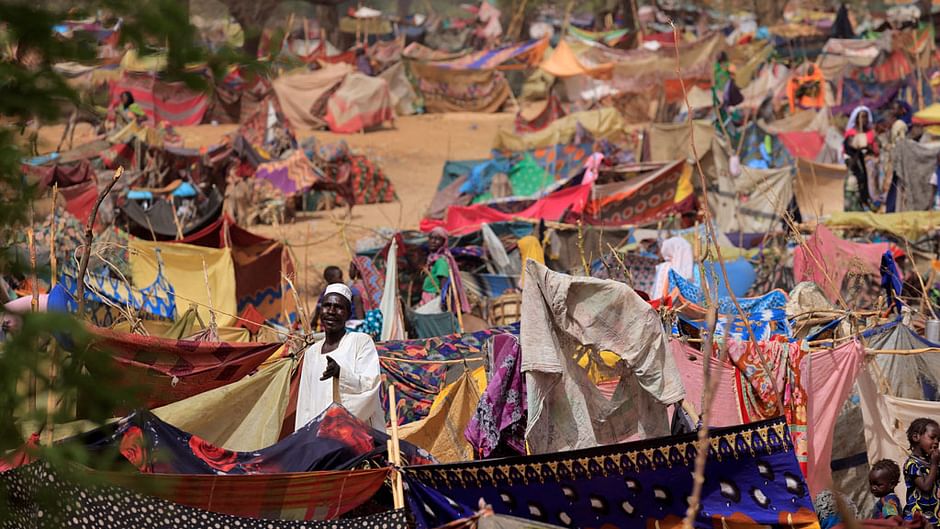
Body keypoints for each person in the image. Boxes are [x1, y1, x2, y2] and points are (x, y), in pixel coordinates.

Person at [295, 283, 384, 431]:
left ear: (348, 314)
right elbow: (305, 405)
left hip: (355, 435)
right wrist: (303, 439)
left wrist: (340, 374)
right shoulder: (312, 353)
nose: (331, 311)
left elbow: (371, 387)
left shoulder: (360, 342)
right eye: (327, 306)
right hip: (320, 437)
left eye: (339, 307)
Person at [421, 227, 469, 313]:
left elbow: (444, 286)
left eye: (437, 239)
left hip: (433, 300)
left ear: (444, 242)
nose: (433, 241)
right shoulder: (432, 259)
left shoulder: (440, 261)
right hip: (427, 298)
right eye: (431, 238)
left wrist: (442, 303)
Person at [903, 418, 940, 524]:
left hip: (935, 517)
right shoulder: (911, 464)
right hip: (919, 519)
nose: (937, 442)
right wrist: (934, 464)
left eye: (939, 439)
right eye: (932, 437)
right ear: (916, 437)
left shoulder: (933, 461)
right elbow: (925, 487)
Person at [844, 106, 878, 212]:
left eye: (865, 117)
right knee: (854, 184)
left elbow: (875, 149)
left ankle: (869, 203)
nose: (864, 120)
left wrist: (869, 149)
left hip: (868, 162)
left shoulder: (870, 133)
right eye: (862, 117)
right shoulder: (851, 134)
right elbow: (848, 148)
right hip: (854, 163)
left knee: (868, 184)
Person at [312, 266, 345, 330]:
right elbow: (318, 310)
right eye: (340, 277)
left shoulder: (344, 291)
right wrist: (313, 323)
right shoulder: (326, 293)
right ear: (330, 278)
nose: (342, 280)